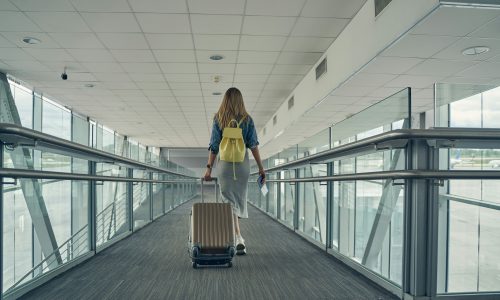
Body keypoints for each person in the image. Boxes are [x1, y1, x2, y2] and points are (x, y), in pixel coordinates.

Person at [204, 87, 266, 255]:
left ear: (225, 100)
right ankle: (238, 235)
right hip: (241, 166)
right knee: (237, 201)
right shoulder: (247, 120)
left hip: (224, 165)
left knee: (229, 201)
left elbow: (214, 146)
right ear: (240, 100)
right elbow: (253, 145)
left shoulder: (219, 119)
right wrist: (261, 168)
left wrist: (208, 168)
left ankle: (237, 236)